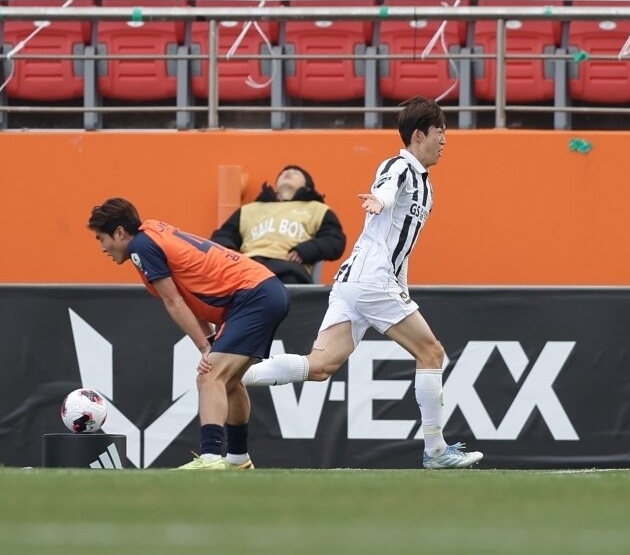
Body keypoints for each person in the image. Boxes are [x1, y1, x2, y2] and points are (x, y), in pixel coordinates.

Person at [239, 96, 483, 469]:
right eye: (440, 132)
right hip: (370, 278)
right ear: (419, 135)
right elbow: (386, 188)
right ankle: (435, 450)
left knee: (320, 366)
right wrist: (379, 202)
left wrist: (402, 284)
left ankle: (237, 372)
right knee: (431, 353)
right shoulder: (399, 166)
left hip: (358, 281)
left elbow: (401, 244)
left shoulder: (427, 188)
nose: (445, 140)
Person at [87, 198, 290, 471]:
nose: (102, 248)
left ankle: (209, 458)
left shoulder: (140, 247)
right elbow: (187, 296)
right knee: (228, 381)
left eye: (102, 239)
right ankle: (239, 459)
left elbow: (174, 302)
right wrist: (208, 342)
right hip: (260, 291)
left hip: (252, 296)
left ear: (120, 232)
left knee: (209, 376)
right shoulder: (149, 234)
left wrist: (205, 348)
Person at [211, 165, 346, 285]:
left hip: (288, 269)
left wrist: (305, 250)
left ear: (307, 186)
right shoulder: (249, 209)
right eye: (284, 172)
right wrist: (229, 255)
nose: (288, 172)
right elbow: (223, 236)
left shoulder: (317, 209)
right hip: (248, 267)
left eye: (295, 173)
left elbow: (335, 240)